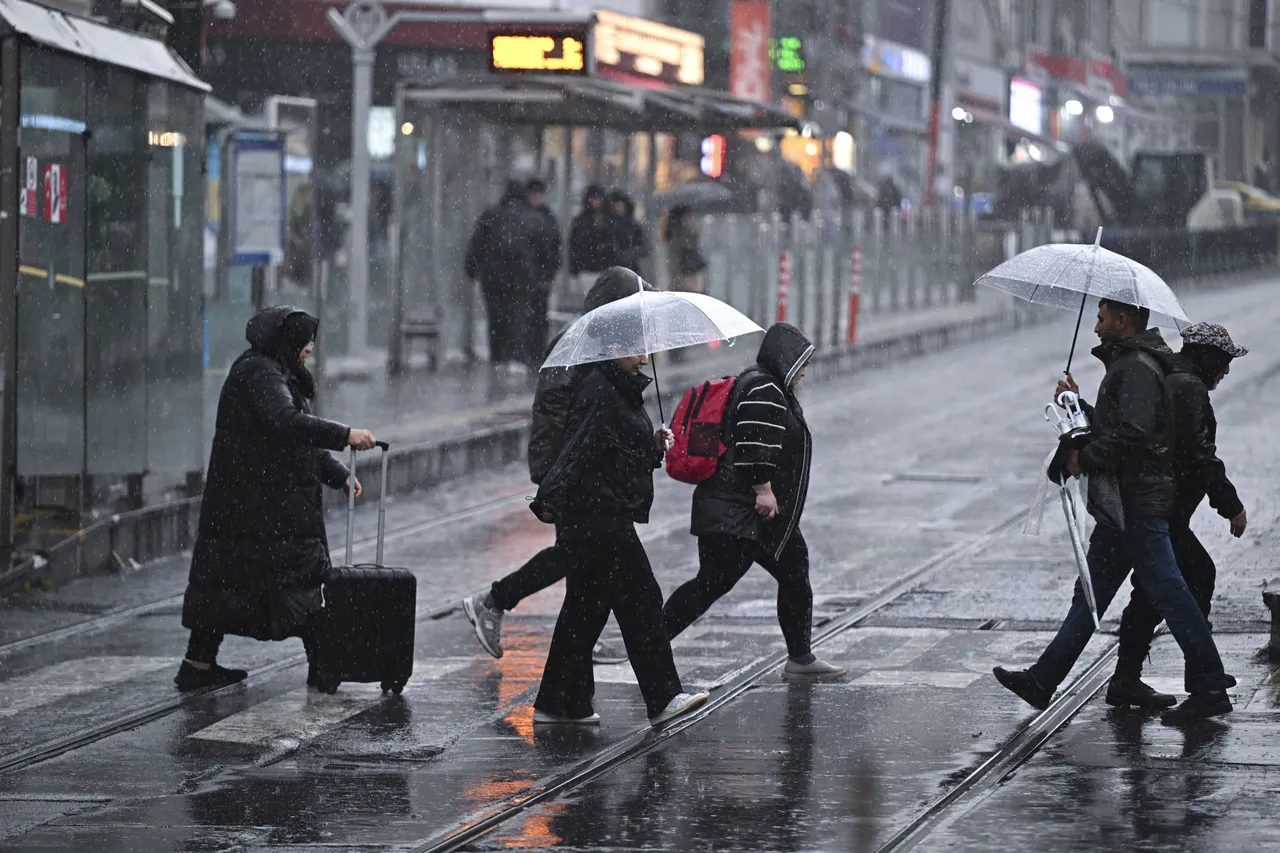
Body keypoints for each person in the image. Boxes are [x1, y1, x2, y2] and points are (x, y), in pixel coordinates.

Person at [993, 299, 1237, 724]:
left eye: (1101, 318)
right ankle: (1043, 679)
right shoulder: (1128, 364)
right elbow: (1117, 427)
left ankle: (1211, 685)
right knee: (1090, 593)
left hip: (1139, 505)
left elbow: (1133, 435)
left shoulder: (1138, 367)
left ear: (1123, 320)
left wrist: (1083, 459)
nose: (1095, 328)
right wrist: (1076, 407)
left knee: (1172, 594)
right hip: (1121, 506)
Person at [177, 306, 377, 691]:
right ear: (286, 341)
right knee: (293, 585)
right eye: (305, 343)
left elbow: (292, 439)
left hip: (249, 503)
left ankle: (198, 664)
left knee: (226, 585)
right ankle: (324, 667)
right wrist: (345, 434)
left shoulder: (272, 371)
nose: (308, 351)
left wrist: (336, 473)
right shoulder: (259, 373)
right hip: (261, 507)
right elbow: (286, 425)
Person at [463, 268, 652, 665]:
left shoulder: (597, 343)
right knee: (578, 556)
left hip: (580, 472)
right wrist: (554, 475)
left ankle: (562, 631)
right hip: (574, 474)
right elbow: (560, 415)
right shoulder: (582, 347)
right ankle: (494, 601)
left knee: (580, 558)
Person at [528, 318, 708, 727]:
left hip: (597, 513)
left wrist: (651, 443)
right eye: (636, 347)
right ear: (613, 349)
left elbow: (613, 449)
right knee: (642, 599)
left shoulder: (619, 388)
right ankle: (664, 697)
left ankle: (558, 701)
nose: (645, 355)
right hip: (596, 516)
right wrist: (550, 496)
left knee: (584, 610)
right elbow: (579, 449)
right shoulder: (600, 390)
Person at [662, 323, 845, 680]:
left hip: (745, 512)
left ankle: (800, 658)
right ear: (785, 359)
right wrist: (763, 489)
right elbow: (753, 447)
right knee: (715, 583)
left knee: (785, 570)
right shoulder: (765, 389)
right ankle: (650, 643)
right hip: (741, 512)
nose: (804, 371)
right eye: (801, 361)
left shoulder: (763, 384)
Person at [1107, 322, 1248, 710]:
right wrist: (1230, 503)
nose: (1226, 370)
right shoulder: (1188, 387)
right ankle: (1202, 681)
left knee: (1157, 591)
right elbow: (1197, 454)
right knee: (1191, 578)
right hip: (1161, 510)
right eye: (1222, 360)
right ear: (1204, 356)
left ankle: (1133, 678)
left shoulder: (1175, 378)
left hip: (1158, 508)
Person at [465, 180, 546, 375]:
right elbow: (545, 248)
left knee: (496, 317)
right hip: (522, 277)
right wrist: (544, 274)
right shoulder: (532, 218)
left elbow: (477, 244)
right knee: (518, 316)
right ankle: (517, 357)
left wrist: (471, 271)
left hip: (492, 276)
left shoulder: (491, 215)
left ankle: (498, 357)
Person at [525, 177, 563, 366]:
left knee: (539, 315)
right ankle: (530, 352)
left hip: (539, 276)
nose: (536, 197)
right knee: (530, 315)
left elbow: (554, 249)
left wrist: (549, 275)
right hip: (528, 276)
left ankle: (536, 351)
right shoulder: (538, 218)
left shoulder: (547, 218)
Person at [567, 185, 618, 311]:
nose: (595, 202)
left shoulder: (611, 221)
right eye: (592, 198)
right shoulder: (581, 221)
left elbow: (616, 243)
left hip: (606, 269)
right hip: (587, 269)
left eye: (598, 198)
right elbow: (573, 246)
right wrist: (575, 269)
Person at [663, 205, 707, 294]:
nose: (693, 221)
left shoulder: (686, 236)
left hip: (687, 283)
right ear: (682, 219)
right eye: (690, 218)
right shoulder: (680, 238)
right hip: (686, 283)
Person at [608, 189, 649, 274]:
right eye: (616, 205)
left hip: (631, 269)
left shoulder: (633, 226)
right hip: (610, 269)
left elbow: (644, 248)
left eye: (620, 205)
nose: (618, 208)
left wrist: (629, 254)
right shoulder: (607, 225)